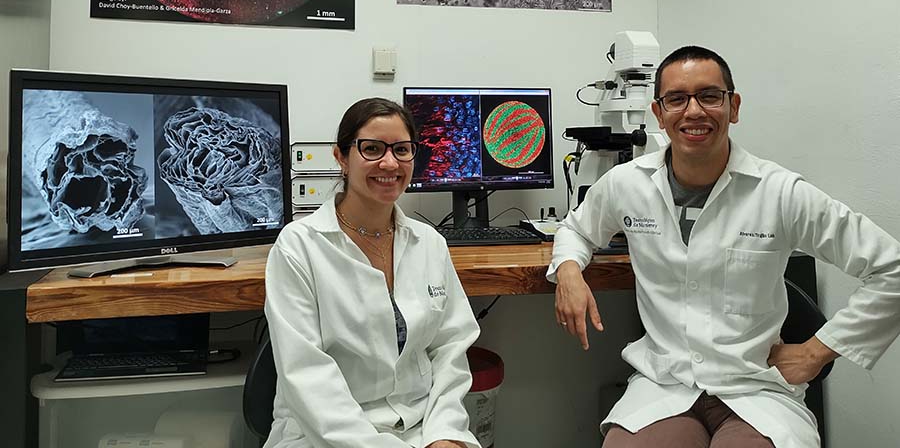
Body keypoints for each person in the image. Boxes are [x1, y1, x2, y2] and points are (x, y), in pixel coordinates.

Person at [549, 46, 900, 447]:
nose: (693, 111)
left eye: (709, 96)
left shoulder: (780, 192)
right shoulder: (627, 184)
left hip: (756, 388)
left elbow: (891, 268)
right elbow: (575, 229)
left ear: (733, 107)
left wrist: (816, 352)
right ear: (658, 113)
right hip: (664, 385)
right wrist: (569, 271)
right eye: (677, 99)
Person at [264, 97, 480, 448]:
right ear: (341, 157)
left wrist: (445, 434)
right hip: (325, 436)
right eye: (372, 148)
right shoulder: (299, 247)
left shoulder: (429, 243)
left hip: (421, 427)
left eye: (402, 149)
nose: (390, 162)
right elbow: (307, 377)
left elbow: (450, 350)